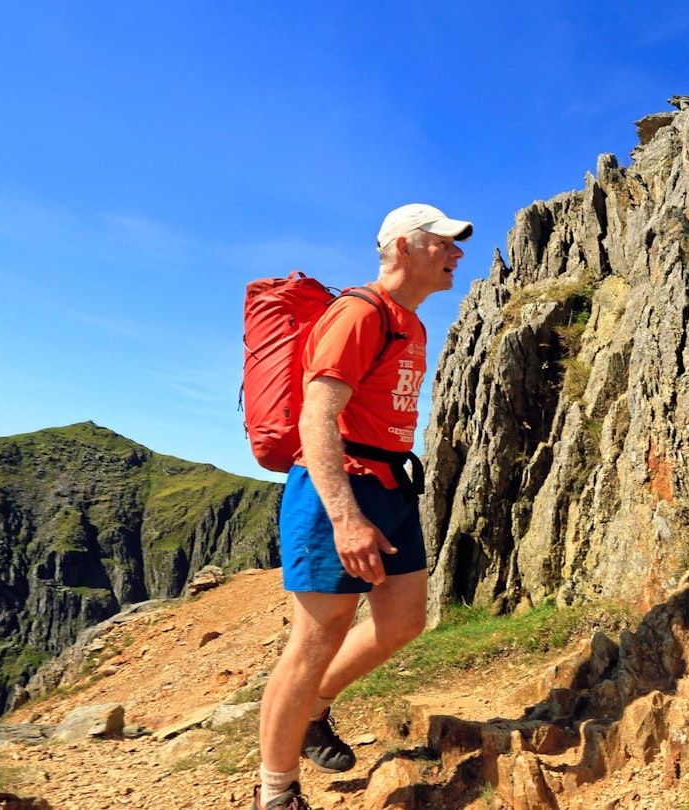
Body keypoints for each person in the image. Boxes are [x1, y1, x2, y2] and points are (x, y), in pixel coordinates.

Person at [252, 204, 472, 810]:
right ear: (403, 246)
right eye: (444, 244)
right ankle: (275, 791)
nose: (456, 255)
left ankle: (313, 710)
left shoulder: (414, 323)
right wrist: (346, 516)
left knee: (402, 623)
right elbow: (316, 415)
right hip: (338, 490)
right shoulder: (359, 313)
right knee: (316, 637)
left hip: (391, 486)